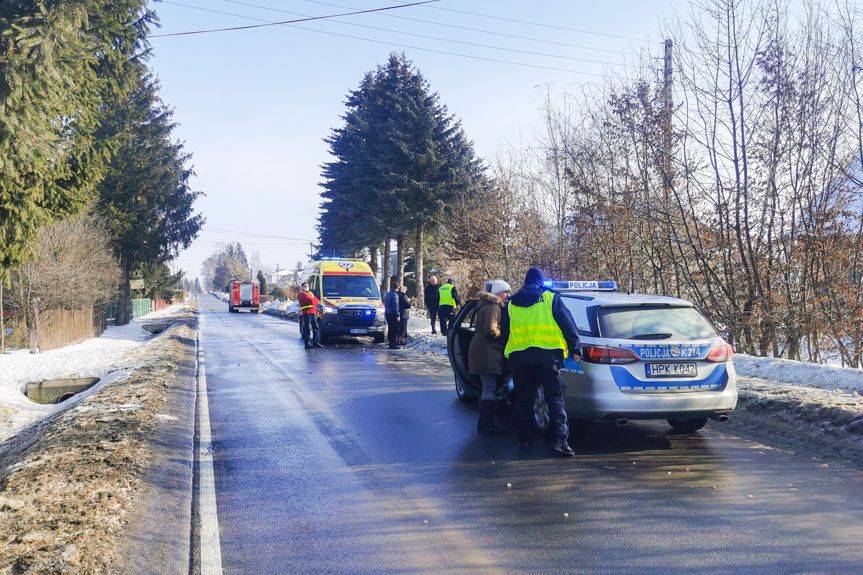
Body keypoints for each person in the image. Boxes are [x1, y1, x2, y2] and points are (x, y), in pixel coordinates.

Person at [501, 267, 579, 456]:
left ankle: (525, 440)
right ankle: (560, 441)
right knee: (555, 400)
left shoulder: (511, 303)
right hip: (549, 359)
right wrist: (575, 347)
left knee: (524, 400)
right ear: (541, 281)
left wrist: (507, 357)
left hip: (520, 360)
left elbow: (505, 333)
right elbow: (567, 323)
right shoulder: (551, 298)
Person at [468, 279, 511, 435]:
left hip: (481, 349)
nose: (507, 295)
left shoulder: (486, 305)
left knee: (488, 387)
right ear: (498, 292)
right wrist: (503, 334)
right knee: (489, 387)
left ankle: (485, 423)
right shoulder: (494, 307)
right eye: (505, 292)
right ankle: (486, 424)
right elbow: (491, 330)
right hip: (487, 350)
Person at [298, 282, 323, 349]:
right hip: (306, 312)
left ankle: (316, 342)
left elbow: (316, 301)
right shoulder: (302, 294)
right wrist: (313, 300)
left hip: (313, 312)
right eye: (305, 286)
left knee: (316, 327)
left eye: (307, 286)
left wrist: (313, 300)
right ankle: (307, 344)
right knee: (307, 328)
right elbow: (310, 301)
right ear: (302, 287)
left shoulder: (310, 293)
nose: (306, 287)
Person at [383, 278, 401, 349]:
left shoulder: (388, 294)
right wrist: (397, 315)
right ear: (397, 287)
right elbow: (395, 306)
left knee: (390, 329)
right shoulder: (395, 295)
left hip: (387, 313)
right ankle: (393, 344)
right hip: (392, 314)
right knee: (394, 330)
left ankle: (390, 343)